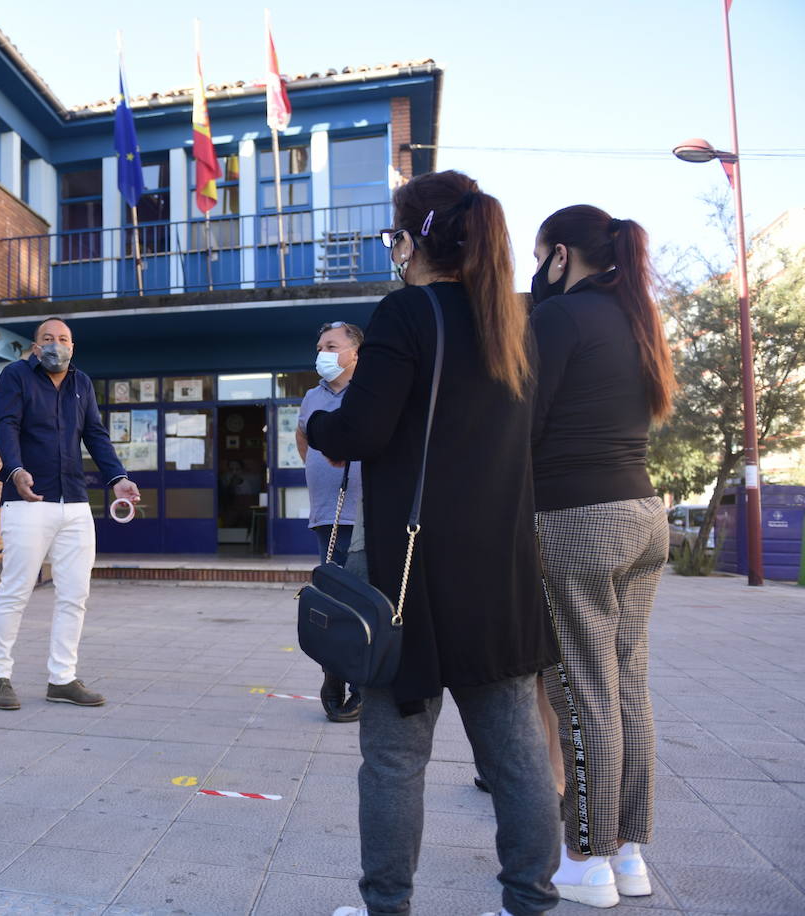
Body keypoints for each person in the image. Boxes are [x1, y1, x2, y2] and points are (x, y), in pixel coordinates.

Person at [309, 170, 561, 916]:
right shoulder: (513, 328)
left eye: (395, 236)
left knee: (393, 759)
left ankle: (387, 907)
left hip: (412, 578)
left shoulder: (407, 314)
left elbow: (361, 430)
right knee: (516, 760)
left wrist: (315, 426)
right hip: (502, 576)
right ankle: (530, 902)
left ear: (415, 238)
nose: (394, 250)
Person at [530, 205, 674, 908]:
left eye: (540, 255)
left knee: (581, 691)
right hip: (644, 515)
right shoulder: (635, 316)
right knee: (625, 688)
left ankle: (587, 860)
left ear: (560, 255)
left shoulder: (558, 319)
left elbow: (524, 421)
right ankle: (629, 855)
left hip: (576, 518)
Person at [0, 317, 140, 711]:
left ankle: (63, 678)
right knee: (15, 591)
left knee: (75, 594)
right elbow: (6, 425)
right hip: (28, 500)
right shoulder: (15, 376)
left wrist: (118, 478)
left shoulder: (81, 383)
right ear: (35, 346)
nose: (56, 344)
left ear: (73, 347)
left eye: (64, 339)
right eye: (48, 338)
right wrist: (15, 471)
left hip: (74, 503)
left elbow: (96, 434)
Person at [295, 320, 366, 723]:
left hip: (365, 516)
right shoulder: (311, 396)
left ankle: (361, 683)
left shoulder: (370, 392)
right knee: (333, 600)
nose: (322, 352)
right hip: (327, 515)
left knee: (361, 600)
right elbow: (304, 437)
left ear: (354, 352)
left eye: (331, 345)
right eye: (319, 345)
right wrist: (316, 469)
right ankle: (333, 675)